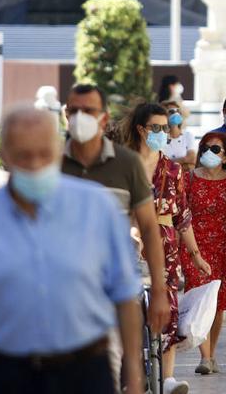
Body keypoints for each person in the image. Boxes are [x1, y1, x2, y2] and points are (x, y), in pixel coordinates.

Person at [0, 106, 144, 394]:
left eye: (43, 154)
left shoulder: (97, 210)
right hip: (1, 374)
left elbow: (124, 295)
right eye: (23, 155)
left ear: (59, 151)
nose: (34, 164)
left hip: (83, 372)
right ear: (4, 156)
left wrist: (134, 375)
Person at [60, 83, 170, 391]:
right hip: (65, 285)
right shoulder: (52, 164)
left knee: (116, 359)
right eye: (74, 111)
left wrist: (159, 289)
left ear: (104, 119)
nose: (81, 117)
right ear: (66, 116)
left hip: (115, 279)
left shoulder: (126, 165)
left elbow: (149, 227)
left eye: (89, 111)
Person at [123, 102, 211, 394]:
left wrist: (196, 256)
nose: (163, 133)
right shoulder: (124, 165)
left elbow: (182, 216)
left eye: (165, 127)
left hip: (166, 245)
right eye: (156, 128)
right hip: (129, 244)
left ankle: (169, 376)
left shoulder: (172, 170)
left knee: (168, 309)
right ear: (141, 129)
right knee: (130, 310)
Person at [180, 132, 226, 375]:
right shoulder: (189, 179)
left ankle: (211, 353)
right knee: (199, 298)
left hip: (225, 247)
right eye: (205, 148)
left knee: (217, 304)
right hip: (195, 246)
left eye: (215, 150)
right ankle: (204, 357)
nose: (208, 153)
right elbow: (180, 214)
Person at [162, 100, 196, 171]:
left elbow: (192, 159)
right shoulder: (160, 137)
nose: (176, 114)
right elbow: (161, 163)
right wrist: (185, 161)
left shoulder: (188, 135)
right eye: (171, 112)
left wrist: (170, 163)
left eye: (178, 111)